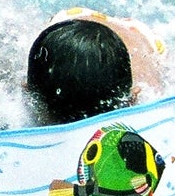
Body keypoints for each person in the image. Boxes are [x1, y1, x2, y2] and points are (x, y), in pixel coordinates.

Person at [26, 8, 166, 124]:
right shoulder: (30, 96)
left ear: (131, 100)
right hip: (71, 19)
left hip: (138, 35)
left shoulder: (148, 95)